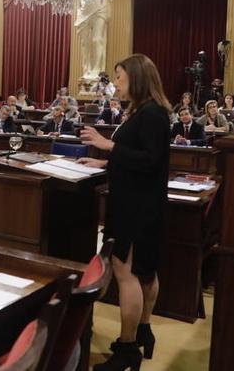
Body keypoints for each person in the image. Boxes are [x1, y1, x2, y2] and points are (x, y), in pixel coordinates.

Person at [77, 54, 171, 370]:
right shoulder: (143, 112)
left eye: (120, 77)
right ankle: (143, 329)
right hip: (139, 201)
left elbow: (150, 160)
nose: (116, 83)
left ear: (137, 78)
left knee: (127, 272)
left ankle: (127, 348)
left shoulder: (152, 114)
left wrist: (109, 147)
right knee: (144, 270)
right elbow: (139, 157)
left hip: (136, 206)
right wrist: (105, 162)